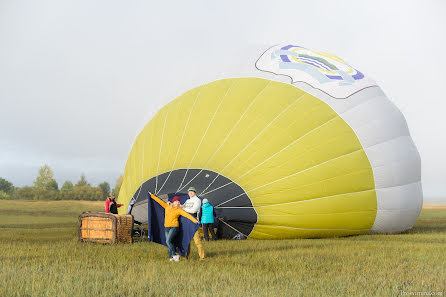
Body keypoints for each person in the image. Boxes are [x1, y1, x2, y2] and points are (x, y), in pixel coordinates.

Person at [182, 187, 205, 260]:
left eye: (192, 191)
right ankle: (186, 256)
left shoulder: (197, 200)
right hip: (187, 222)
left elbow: (194, 210)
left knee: (197, 241)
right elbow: (181, 206)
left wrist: (184, 209)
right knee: (186, 241)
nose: (191, 193)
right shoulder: (187, 200)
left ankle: (202, 257)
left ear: (195, 192)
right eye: (189, 191)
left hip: (194, 222)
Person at [164, 196, 183, 262]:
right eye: (176, 201)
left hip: (174, 227)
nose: (177, 203)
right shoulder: (167, 207)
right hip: (166, 227)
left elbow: (187, 215)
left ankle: (175, 255)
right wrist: (152, 195)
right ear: (173, 202)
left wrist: (195, 220)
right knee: (169, 242)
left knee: (168, 241)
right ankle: (171, 257)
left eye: (178, 202)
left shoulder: (179, 210)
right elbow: (159, 201)